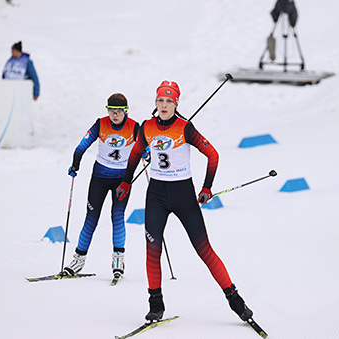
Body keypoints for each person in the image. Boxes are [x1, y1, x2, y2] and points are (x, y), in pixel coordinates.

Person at [116, 81, 253, 323]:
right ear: (155, 103)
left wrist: (207, 186)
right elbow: (136, 154)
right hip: (156, 195)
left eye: (169, 101)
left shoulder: (185, 128)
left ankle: (235, 300)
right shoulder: (146, 127)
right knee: (152, 250)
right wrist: (126, 182)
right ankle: (155, 303)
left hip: (183, 195)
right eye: (160, 100)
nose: (164, 105)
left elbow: (213, 154)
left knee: (204, 250)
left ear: (176, 103)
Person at [63, 93, 145, 280]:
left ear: (126, 112)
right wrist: (76, 163)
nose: (114, 115)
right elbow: (82, 145)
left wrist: (146, 153)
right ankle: (78, 260)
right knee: (91, 217)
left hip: (122, 180)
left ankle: (118, 260)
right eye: (111, 111)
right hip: (99, 177)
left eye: (118, 111)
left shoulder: (134, 127)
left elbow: (144, 147)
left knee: (117, 217)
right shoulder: (101, 124)